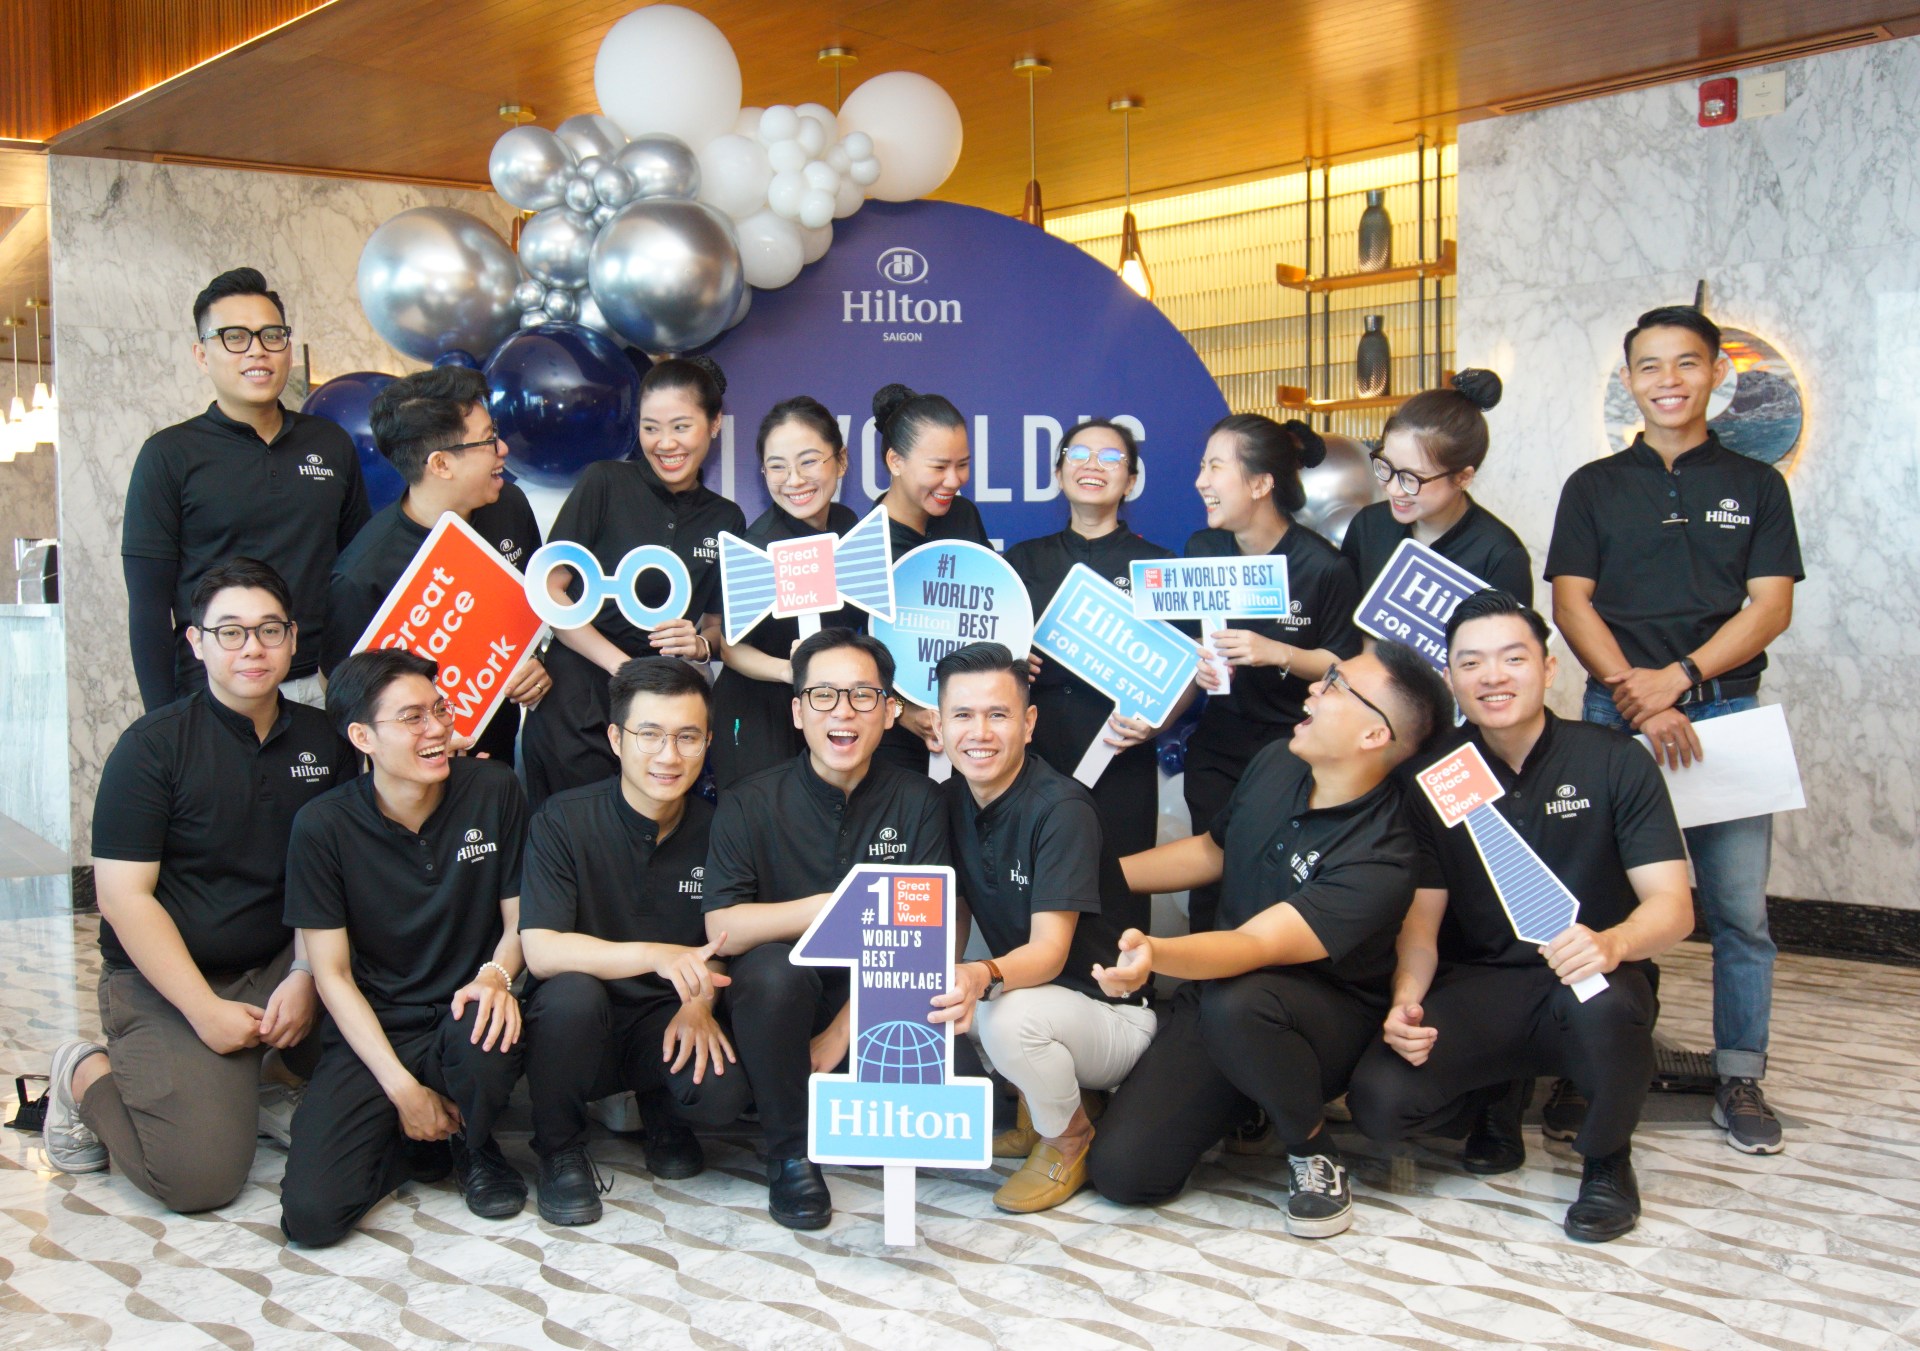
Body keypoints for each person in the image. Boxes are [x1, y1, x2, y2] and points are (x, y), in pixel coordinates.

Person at [1346, 591, 1693, 1242]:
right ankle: (1495, 1096)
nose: (1493, 676)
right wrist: (1405, 1001)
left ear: (1548, 668)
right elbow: (1421, 923)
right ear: (1450, 678)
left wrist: (1613, 943)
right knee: (1381, 1104)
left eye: (1513, 658)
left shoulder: (1614, 760)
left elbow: (1673, 908)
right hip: (1485, 979)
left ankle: (1606, 1158)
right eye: (1471, 663)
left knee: (1609, 1011)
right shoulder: (1433, 776)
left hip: (1591, 976)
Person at [1546, 304, 1803, 1155]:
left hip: (1724, 713)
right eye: (1650, 367)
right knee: (1605, 900)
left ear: (1715, 375)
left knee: (1737, 911)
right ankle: (1600, 1066)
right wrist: (1635, 693)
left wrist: (1679, 681)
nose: (1668, 381)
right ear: (1629, 382)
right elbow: (1570, 600)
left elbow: (1772, 605)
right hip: (1612, 718)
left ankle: (1740, 1074)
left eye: (1685, 364)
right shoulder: (1592, 485)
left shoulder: (1758, 486)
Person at [1085, 644, 1452, 1238]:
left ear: (1372, 736)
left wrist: (1157, 952)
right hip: (1225, 995)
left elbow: (1256, 944)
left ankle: (1312, 1148)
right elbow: (1213, 850)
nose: (1313, 690)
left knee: (1243, 1003)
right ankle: (1250, 1095)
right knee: (1126, 1175)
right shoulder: (1279, 760)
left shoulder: (1383, 855)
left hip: (1313, 1022)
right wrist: (1092, 879)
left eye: (1335, 685)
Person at [43, 559, 356, 1211]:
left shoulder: (324, 741)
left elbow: (330, 875)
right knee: (198, 1179)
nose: (253, 648)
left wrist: (304, 973)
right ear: (196, 641)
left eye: (270, 630)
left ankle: (270, 1072)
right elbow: (123, 897)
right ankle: (82, 1073)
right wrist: (203, 1010)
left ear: (294, 638)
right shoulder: (152, 747)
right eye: (231, 632)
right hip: (171, 981)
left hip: (278, 964)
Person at [279, 650, 529, 1246]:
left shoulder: (493, 789)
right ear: (362, 736)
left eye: (439, 710)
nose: (439, 728)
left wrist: (496, 975)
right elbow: (332, 975)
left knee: (487, 1034)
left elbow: (522, 920)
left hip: (464, 1012)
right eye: (413, 717)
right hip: (377, 1028)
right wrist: (401, 1091)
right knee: (311, 1218)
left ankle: (472, 1143)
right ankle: (415, 1132)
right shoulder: (322, 827)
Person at [703, 628, 949, 1230]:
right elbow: (724, 929)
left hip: (884, 1002)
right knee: (772, 969)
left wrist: (844, 1033)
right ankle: (790, 1157)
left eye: (863, 696)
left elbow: (927, 939)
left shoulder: (921, 802)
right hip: (776, 1001)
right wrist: (841, 904)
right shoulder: (749, 801)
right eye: (823, 696)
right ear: (797, 711)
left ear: (891, 712)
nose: (843, 711)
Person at [519, 657, 752, 1225]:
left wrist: (701, 1003)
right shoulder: (563, 820)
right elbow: (542, 950)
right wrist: (655, 955)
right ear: (616, 739)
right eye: (649, 735)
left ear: (708, 742)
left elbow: (721, 941)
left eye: (687, 737)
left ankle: (660, 1108)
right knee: (572, 995)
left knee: (722, 1095)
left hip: (662, 1020)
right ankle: (560, 1148)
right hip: (580, 1026)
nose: (669, 756)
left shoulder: (718, 828)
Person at [926, 643, 1156, 1213]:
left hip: (1113, 1014)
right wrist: (943, 980)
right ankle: (1037, 1116)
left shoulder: (1060, 809)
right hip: (1048, 1005)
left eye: (998, 714)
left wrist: (977, 975)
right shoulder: (952, 798)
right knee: (958, 1001)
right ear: (936, 723)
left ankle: (1069, 1139)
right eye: (962, 715)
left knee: (1005, 1014)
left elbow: (1050, 955)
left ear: (1028, 723)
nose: (979, 732)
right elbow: (958, 903)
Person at [123, 267, 369, 712]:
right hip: (213, 692)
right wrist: (162, 724)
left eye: (271, 335)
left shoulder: (330, 444)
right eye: (234, 337)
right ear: (202, 355)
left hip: (324, 686)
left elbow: (358, 574)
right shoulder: (169, 455)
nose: (258, 350)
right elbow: (147, 609)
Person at [521, 356, 745, 805]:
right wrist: (621, 667)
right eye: (650, 428)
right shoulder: (604, 482)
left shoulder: (727, 518)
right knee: (575, 843)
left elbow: (721, 628)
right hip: (576, 701)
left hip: (663, 720)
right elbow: (551, 589)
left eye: (681, 427)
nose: (665, 443)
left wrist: (700, 643)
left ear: (714, 424)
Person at [1181, 414, 1364, 932]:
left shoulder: (1323, 566)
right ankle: (1199, 1003)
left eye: (1215, 467)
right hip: (1217, 748)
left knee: (1275, 887)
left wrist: (1277, 652)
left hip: (1294, 755)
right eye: (1202, 466)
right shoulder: (1202, 550)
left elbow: (1345, 667)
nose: (1201, 482)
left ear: (1261, 484)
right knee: (1209, 888)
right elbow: (1183, 642)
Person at [325, 367, 548, 764]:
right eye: (488, 440)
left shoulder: (510, 505)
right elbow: (346, 702)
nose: (503, 450)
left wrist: (537, 663)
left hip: (498, 757)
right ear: (441, 464)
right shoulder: (363, 574)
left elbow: (535, 612)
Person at [1005, 420, 1186, 857]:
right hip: (1034, 750)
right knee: (1030, 882)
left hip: (1121, 753)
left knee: (1120, 885)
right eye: (1078, 455)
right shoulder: (1022, 559)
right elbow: (987, 654)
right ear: (1058, 472)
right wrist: (1009, 659)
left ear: (1132, 481)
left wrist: (1157, 724)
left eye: (1111, 458)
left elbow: (1189, 665)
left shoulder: (1158, 566)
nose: (1092, 466)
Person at [712, 396, 868, 788]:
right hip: (759, 711)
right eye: (777, 467)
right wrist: (792, 670)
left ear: (841, 461)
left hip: (827, 710)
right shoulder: (757, 546)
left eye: (809, 461)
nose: (794, 480)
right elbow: (730, 648)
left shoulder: (849, 526)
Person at [870, 382, 992, 772]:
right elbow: (857, 657)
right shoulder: (865, 545)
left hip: (976, 736)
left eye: (963, 464)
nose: (954, 481)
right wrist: (903, 712)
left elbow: (990, 601)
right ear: (895, 461)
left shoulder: (964, 515)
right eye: (939, 467)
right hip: (897, 748)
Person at [1339, 369, 1532, 604]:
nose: (1393, 489)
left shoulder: (1500, 555)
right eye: (1386, 467)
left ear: (1463, 478)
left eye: (1411, 479)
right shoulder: (1368, 527)